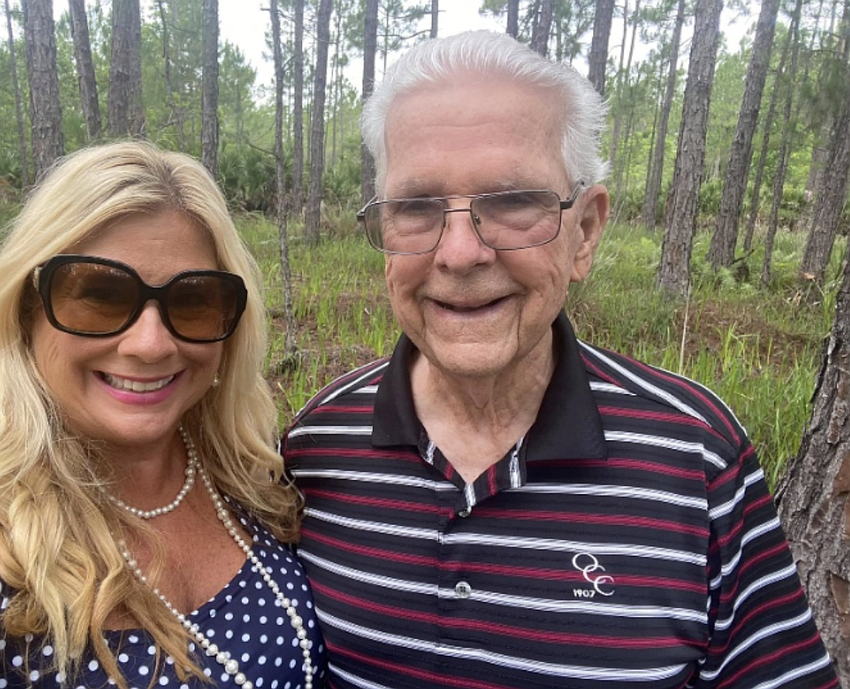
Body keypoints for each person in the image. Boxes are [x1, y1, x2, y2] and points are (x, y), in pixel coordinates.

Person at [284, 31, 841, 689]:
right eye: (415, 207)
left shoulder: (696, 458)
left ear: (585, 232)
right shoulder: (314, 448)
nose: (459, 253)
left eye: (512, 201)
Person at [0, 141, 324, 689]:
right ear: (28, 309)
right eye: (100, 295)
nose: (150, 344)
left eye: (192, 301)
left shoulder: (254, 480)